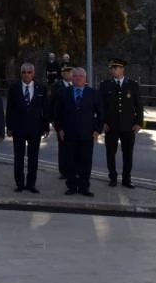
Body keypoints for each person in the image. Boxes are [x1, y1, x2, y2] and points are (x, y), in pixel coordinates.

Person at [53, 67, 103, 196]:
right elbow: (58, 113)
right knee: (71, 162)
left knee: (85, 163)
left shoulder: (93, 93)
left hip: (87, 134)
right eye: (75, 76)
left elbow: (101, 114)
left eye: (81, 76)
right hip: (69, 134)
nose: (78, 78)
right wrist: (59, 129)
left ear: (85, 78)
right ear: (72, 77)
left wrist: (97, 130)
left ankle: (84, 187)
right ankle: (72, 186)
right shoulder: (64, 93)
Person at [100, 58, 143, 188]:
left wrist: (138, 123)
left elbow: (139, 105)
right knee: (110, 153)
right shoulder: (105, 85)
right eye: (111, 68)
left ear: (122, 69)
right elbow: (101, 106)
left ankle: (126, 179)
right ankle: (112, 177)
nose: (113, 70)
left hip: (128, 126)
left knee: (128, 153)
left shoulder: (132, 85)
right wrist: (103, 122)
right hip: (111, 126)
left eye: (115, 68)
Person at [6, 63, 49, 193]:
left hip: (35, 129)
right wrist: (9, 126)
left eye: (29, 72)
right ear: (21, 73)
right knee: (18, 157)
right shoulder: (14, 88)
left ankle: (31, 184)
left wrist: (46, 127)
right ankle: (19, 184)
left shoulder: (41, 88)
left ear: (33, 74)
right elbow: (10, 109)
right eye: (24, 72)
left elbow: (45, 109)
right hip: (18, 128)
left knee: (33, 158)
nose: (26, 74)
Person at [49, 64, 75, 179]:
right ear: (62, 73)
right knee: (63, 146)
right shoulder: (56, 86)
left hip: (75, 120)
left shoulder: (77, 83)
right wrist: (52, 120)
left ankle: (74, 169)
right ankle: (63, 171)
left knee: (75, 146)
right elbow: (51, 103)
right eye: (65, 72)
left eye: (69, 71)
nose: (68, 74)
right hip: (61, 121)